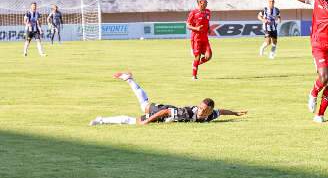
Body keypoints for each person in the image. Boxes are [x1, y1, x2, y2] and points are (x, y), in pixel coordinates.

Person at [90, 72, 247, 125]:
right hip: (162, 111)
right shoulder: (187, 113)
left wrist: (235, 113)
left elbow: (221, 111)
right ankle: (101, 119)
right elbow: (165, 112)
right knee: (138, 114)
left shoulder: (211, 115)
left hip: (168, 111)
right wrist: (147, 121)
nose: (201, 111)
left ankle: (129, 79)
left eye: (204, 110)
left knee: (143, 105)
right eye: (200, 108)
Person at [186, 0, 212, 80]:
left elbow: (207, 22)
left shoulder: (208, 12)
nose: (207, 3)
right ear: (200, 2)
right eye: (205, 1)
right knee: (197, 57)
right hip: (196, 39)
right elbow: (188, 25)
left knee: (209, 56)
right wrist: (196, 28)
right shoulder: (193, 13)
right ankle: (194, 76)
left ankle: (196, 64)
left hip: (205, 38)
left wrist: (208, 28)